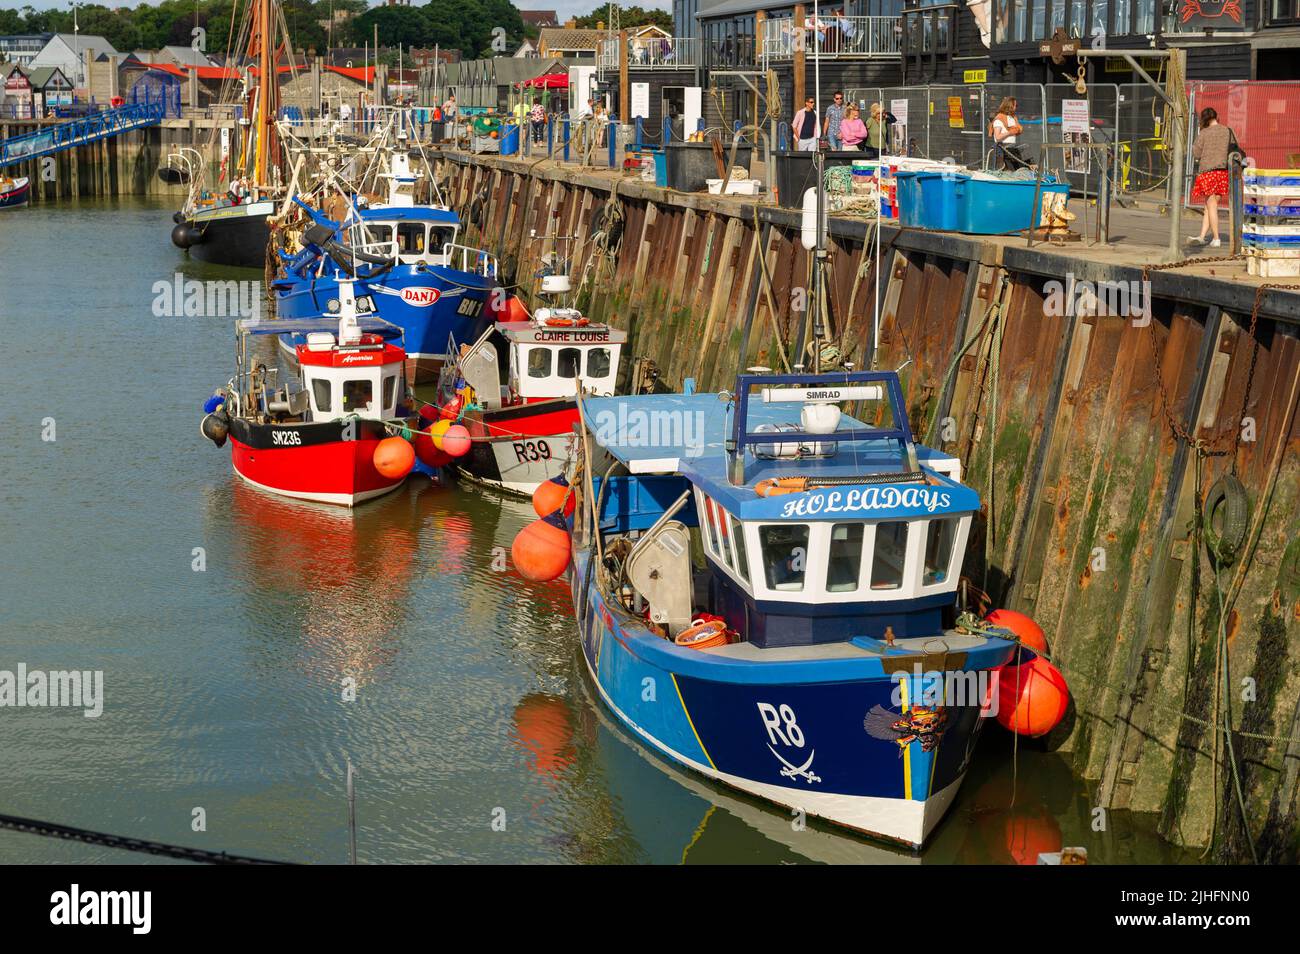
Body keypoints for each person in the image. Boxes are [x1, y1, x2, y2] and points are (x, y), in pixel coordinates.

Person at [1189, 106, 1236, 249]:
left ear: (1203, 119)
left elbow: (1196, 154)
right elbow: (1233, 148)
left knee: (1212, 206)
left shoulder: (1204, 133)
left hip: (1208, 172)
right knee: (1208, 207)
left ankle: (1216, 238)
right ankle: (1202, 236)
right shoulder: (1227, 130)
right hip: (1222, 172)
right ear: (1217, 116)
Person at [991, 97, 1027, 170]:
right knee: (1004, 171)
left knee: (1015, 171)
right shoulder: (999, 119)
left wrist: (1017, 130)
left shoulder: (1012, 117)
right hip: (1002, 148)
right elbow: (997, 137)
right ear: (1010, 106)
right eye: (1015, 105)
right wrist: (1010, 132)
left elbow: (1018, 129)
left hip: (1011, 148)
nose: (1016, 107)